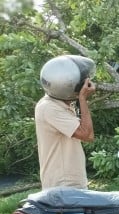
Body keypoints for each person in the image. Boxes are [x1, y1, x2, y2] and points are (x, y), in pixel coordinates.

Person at [35, 55, 96, 190]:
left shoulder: (58, 102)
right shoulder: (50, 108)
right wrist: (83, 98)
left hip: (67, 181)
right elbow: (88, 135)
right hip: (64, 184)